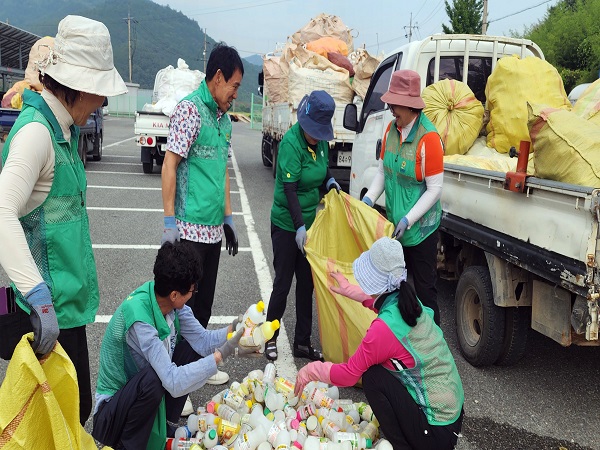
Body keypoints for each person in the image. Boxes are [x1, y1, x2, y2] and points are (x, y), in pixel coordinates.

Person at [0, 15, 127, 425]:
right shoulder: (37, 134)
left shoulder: (64, 133)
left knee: (71, 410)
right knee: (52, 420)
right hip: (43, 313)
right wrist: (36, 295)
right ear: (81, 86)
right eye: (100, 92)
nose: (102, 103)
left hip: (64, 310)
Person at [294, 237, 464, 450]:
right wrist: (348, 290)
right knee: (385, 369)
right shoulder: (410, 301)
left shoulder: (383, 330)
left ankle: (403, 446)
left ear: (374, 281)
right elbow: (379, 300)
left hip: (437, 432)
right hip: (452, 415)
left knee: (373, 376)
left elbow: (348, 374)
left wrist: (311, 371)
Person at [92, 242, 257, 450]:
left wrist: (234, 330)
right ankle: (128, 445)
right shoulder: (140, 320)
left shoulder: (170, 303)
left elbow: (203, 341)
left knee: (189, 350)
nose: (194, 292)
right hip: (113, 414)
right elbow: (171, 381)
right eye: (191, 289)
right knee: (153, 380)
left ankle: (168, 428)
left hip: (138, 398)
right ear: (174, 295)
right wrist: (219, 356)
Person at [161, 42, 244, 387]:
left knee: (204, 306)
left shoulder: (223, 121)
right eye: (235, 86)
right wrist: (168, 221)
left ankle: (197, 367)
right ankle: (176, 377)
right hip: (188, 231)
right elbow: (170, 164)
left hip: (212, 231)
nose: (235, 95)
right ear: (219, 77)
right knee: (184, 312)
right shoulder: (190, 110)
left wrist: (228, 217)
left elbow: (222, 170)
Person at [361, 69, 444, 325]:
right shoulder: (390, 130)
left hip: (420, 232)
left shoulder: (428, 138)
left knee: (424, 291)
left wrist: (409, 219)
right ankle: (401, 342)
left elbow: (434, 189)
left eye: (394, 104)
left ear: (410, 106)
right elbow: (383, 173)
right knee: (395, 290)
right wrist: (369, 200)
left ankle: (433, 344)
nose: (390, 109)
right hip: (395, 229)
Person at [264, 90, 341, 362]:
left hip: (311, 225)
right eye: (313, 132)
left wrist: (329, 182)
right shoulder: (290, 144)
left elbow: (322, 169)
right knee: (283, 283)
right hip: (287, 225)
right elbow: (290, 190)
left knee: (306, 284)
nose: (316, 137)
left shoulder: (319, 142)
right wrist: (298, 227)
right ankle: (269, 338)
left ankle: (302, 343)